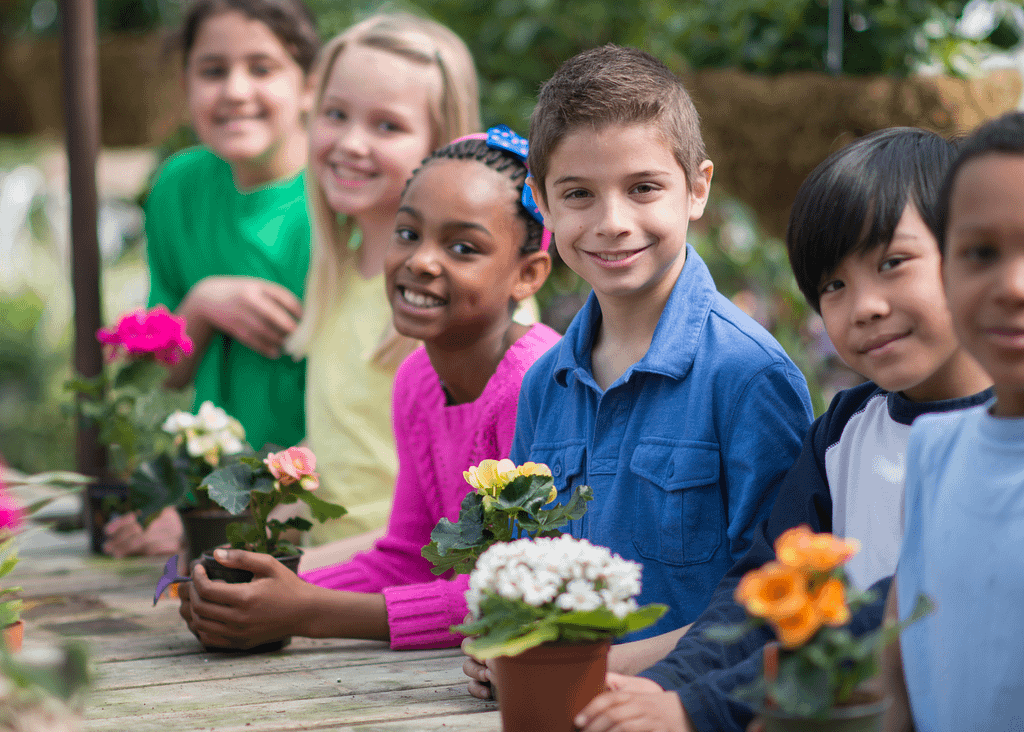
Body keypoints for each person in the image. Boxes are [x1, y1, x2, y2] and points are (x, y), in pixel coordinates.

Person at [573, 127, 994, 732]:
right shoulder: (844, 431)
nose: (865, 306)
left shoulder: (1003, 438)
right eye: (834, 285)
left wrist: (695, 709)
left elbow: (881, 619)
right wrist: (663, 686)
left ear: (973, 254)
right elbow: (759, 591)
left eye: (893, 264)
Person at [464, 43, 814, 693]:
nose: (612, 222)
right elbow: (523, 567)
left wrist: (599, 667)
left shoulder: (749, 378)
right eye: (579, 195)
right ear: (541, 203)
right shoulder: (546, 383)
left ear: (697, 188)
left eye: (643, 188)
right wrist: (507, 643)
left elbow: (775, 601)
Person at [178, 128, 560, 650]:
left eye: (463, 247)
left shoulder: (537, 386)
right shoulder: (418, 379)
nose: (421, 261)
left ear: (528, 275)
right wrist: (254, 597)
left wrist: (308, 612)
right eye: (407, 233)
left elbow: (517, 596)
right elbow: (405, 556)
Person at [104, 0, 320, 558]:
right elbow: (158, 381)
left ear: (309, 86)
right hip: (208, 488)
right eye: (213, 70)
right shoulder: (180, 185)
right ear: (186, 83)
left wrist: (217, 519)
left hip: (314, 504)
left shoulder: (337, 196)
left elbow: (368, 411)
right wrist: (200, 306)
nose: (235, 90)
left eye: (263, 67)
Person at [282, 12, 481, 545]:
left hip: (399, 583)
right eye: (335, 114)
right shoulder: (336, 272)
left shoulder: (466, 299)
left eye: (386, 126)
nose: (350, 142)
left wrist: (300, 582)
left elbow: (466, 511)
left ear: (444, 147)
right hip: (327, 582)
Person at [881, 112, 1024, 732]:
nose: (1013, 285)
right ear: (944, 272)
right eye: (981, 253)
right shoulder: (934, 453)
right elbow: (899, 682)